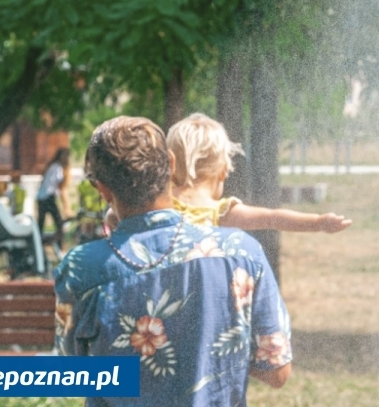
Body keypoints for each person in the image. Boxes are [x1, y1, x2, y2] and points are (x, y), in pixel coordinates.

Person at [55, 116, 291, 406]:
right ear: (171, 163)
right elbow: (277, 371)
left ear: (102, 189)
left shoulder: (82, 268)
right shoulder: (241, 252)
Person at [166, 113, 351, 233]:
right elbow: (273, 218)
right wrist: (318, 222)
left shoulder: (160, 202)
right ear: (223, 171)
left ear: (171, 167)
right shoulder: (221, 213)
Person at [36, 148, 69, 243]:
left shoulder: (51, 166)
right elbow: (60, 187)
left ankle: (38, 243)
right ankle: (59, 244)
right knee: (59, 223)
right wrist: (66, 207)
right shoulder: (58, 168)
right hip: (48, 196)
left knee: (40, 223)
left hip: (41, 196)